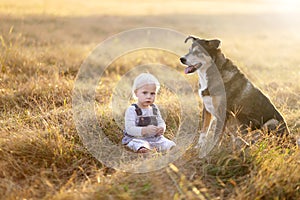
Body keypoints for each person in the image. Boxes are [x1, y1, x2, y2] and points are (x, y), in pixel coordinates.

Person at [122, 73, 176, 153]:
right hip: (138, 138)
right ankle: (143, 149)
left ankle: (167, 148)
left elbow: (160, 121)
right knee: (138, 143)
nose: (149, 96)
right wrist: (144, 130)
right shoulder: (132, 109)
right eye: (144, 93)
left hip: (154, 138)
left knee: (168, 143)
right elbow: (129, 129)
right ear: (136, 93)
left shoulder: (154, 108)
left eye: (152, 93)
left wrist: (161, 128)